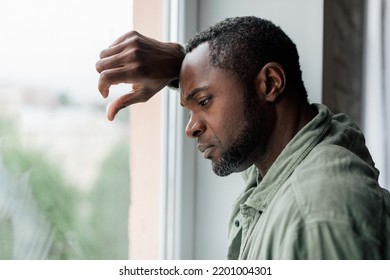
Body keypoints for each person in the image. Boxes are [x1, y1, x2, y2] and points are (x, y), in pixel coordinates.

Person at [96, 16, 390, 259]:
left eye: (204, 101)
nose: (191, 128)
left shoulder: (315, 217)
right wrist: (180, 64)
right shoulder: (284, 159)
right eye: (189, 108)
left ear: (271, 84)